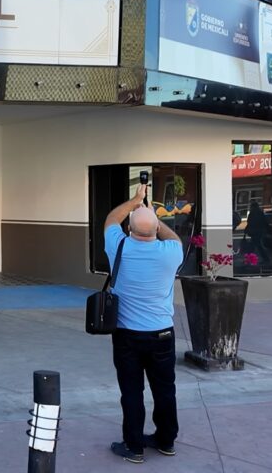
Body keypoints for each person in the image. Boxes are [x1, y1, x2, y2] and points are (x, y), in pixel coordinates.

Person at [104, 184, 183, 464]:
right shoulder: (171, 252)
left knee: (131, 391)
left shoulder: (118, 245)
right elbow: (174, 237)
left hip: (127, 335)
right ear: (156, 229)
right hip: (162, 334)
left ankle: (134, 446)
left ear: (129, 229)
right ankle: (166, 441)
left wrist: (136, 200)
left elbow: (110, 219)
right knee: (165, 389)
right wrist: (154, 218)